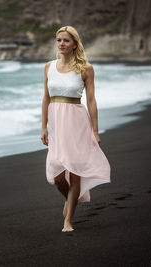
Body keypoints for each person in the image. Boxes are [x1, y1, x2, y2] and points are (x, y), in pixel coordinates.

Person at [41, 26, 111, 232]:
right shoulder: (48, 67)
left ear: (74, 44)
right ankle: (70, 200)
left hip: (77, 122)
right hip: (56, 123)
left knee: (75, 170)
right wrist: (43, 126)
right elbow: (46, 98)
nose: (61, 44)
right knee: (57, 176)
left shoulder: (85, 69)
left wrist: (95, 131)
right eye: (59, 40)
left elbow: (91, 101)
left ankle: (68, 221)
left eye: (66, 41)